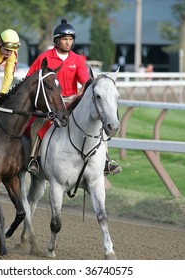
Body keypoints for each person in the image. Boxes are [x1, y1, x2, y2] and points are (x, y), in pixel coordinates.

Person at [26, 19, 121, 176]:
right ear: (57, 40)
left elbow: (86, 82)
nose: (68, 42)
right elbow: (31, 79)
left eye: (70, 40)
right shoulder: (44, 58)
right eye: (64, 39)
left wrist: (78, 94)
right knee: (37, 125)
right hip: (51, 104)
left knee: (99, 126)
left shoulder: (77, 60)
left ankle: (105, 161)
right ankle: (34, 158)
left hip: (72, 103)